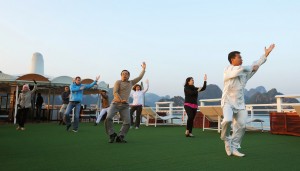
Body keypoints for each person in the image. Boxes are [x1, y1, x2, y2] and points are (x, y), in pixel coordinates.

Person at [221, 44, 275, 157]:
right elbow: (237, 72)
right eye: (239, 57)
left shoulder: (245, 73)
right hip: (227, 102)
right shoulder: (227, 70)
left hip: (240, 103)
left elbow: (257, 64)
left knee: (242, 125)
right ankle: (226, 140)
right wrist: (250, 68)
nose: (241, 59)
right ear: (232, 59)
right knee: (226, 120)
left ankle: (235, 147)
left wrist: (266, 54)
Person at [105, 62, 146, 143]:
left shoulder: (131, 82)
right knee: (108, 118)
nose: (125, 75)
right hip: (115, 104)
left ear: (128, 76)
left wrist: (144, 69)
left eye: (126, 74)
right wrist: (120, 100)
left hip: (125, 106)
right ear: (121, 75)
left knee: (127, 122)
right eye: (123, 73)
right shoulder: (118, 82)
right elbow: (115, 92)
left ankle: (120, 136)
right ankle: (112, 134)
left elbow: (139, 77)